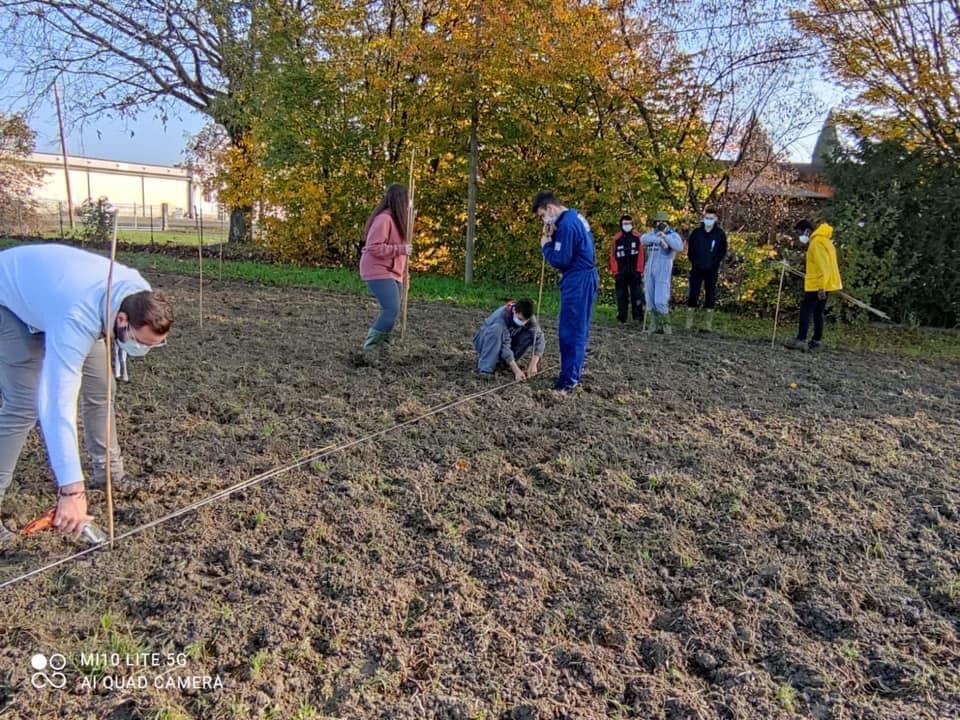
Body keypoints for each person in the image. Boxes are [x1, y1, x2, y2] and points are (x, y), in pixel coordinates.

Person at [0, 243, 173, 546]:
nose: (143, 350)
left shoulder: (139, 294)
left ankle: (108, 473)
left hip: (63, 299)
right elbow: (56, 404)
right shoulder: (76, 318)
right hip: (9, 301)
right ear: (122, 321)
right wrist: (72, 491)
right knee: (25, 403)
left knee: (102, 387)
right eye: (141, 342)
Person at [532, 190, 599, 393]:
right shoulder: (573, 217)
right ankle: (570, 373)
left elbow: (561, 259)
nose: (544, 220)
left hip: (578, 281)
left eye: (542, 215)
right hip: (581, 277)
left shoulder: (567, 225)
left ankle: (569, 380)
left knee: (571, 330)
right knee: (575, 328)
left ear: (550, 207)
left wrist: (546, 246)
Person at [359, 184, 413, 352]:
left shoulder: (400, 222)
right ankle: (370, 347)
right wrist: (401, 249)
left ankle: (383, 347)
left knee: (393, 311)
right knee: (391, 309)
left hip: (393, 273)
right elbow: (374, 247)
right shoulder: (384, 219)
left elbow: (402, 256)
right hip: (377, 270)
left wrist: (404, 276)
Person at [784, 219, 842, 351]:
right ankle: (816, 341)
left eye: (800, 233)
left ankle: (801, 339)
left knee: (805, 310)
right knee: (818, 312)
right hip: (826, 283)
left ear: (807, 231)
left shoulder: (816, 243)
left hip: (817, 284)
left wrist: (821, 286)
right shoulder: (826, 241)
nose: (799, 236)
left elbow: (823, 266)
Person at [473, 299, 545, 381]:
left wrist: (533, 364)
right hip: (485, 341)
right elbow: (505, 345)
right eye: (520, 319)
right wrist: (516, 370)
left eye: (526, 320)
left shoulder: (528, 316)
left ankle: (504, 362)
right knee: (496, 330)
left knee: (531, 333)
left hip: (510, 338)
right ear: (514, 310)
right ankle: (485, 369)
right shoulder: (501, 317)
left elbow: (539, 337)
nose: (523, 322)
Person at [640, 211, 684, 334]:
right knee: (649, 299)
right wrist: (658, 239)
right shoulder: (652, 234)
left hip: (663, 269)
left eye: (663, 222)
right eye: (658, 221)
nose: (660, 224)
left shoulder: (673, 235)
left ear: (667, 223)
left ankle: (666, 326)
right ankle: (654, 325)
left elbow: (679, 247)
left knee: (660, 299)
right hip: (650, 268)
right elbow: (643, 239)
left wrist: (665, 237)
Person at [685, 207, 727, 331]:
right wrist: (695, 262)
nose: (708, 220)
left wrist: (714, 264)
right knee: (693, 294)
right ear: (703, 218)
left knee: (710, 295)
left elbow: (722, 251)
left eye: (711, 218)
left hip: (712, 270)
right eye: (707, 218)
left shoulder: (719, 234)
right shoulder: (696, 233)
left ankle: (707, 325)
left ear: (716, 219)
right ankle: (689, 322)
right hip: (696, 269)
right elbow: (691, 251)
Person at [608, 214, 645, 323]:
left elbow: (641, 255)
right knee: (621, 295)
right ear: (621, 224)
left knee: (636, 294)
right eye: (625, 224)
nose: (627, 226)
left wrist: (639, 270)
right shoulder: (616, 238)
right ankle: (622, 316)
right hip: (621, 270)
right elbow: (613, 255)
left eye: (629, 224)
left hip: (634, 270)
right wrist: (615, 271)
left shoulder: (638, 237)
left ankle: (638, 316)